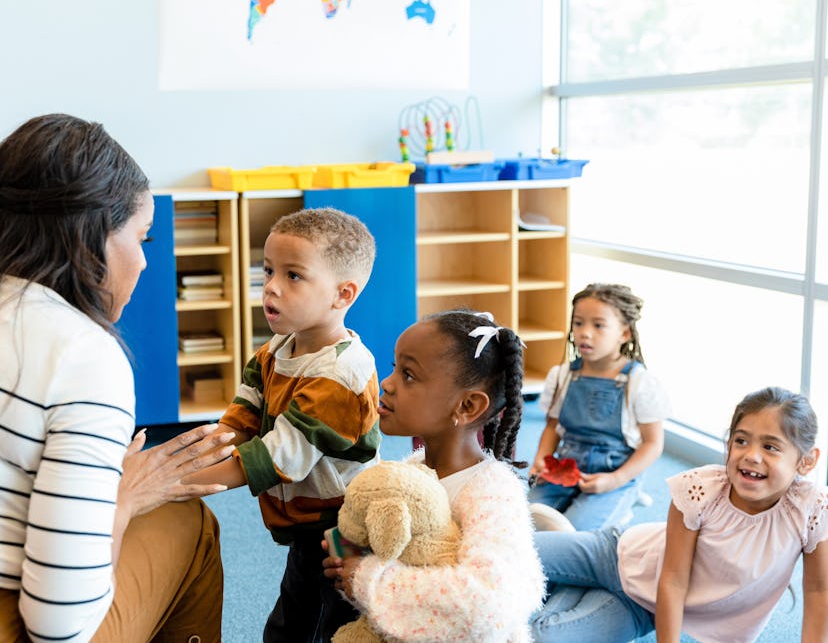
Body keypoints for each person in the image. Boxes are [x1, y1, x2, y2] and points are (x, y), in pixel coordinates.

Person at [0, 113, 234, 642]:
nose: (146, 263)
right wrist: (120, 498)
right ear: (90, 238)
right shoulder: (80, 353)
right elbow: (57, 627)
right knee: (188, 523)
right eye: (143, 239)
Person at [185, 207, 380, 642]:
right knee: (305, 608)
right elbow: (240, 421)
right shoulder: (276, 349)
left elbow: (276, 458)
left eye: (293, 276)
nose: (270, 286)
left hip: (343, 525)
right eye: (268, 270)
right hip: (305, 520)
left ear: (342, 295)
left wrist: (182, 482)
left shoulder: (340, 374)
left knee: (315, 619)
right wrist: (186, 458)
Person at [530, 386, 828, 642]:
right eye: (741, 440)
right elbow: (672, 578)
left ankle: (567, 577)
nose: (751, 455)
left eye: (770, 446)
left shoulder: (811, 510)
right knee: (509, 551)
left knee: (540, 635)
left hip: (644, 606)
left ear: (806, 461)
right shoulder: (699, 489)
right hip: (614, 553)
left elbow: (818, 590)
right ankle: (567, 556)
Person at [323, 310, 546, 642]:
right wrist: (348, 565)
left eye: (409, 375)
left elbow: (486, 604)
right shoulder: (410, 472)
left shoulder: (492, 493)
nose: (387, 383)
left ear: (467, 406)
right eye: (395, 368)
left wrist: (366, 578)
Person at [528, 283, 670, 531]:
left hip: (616, 472)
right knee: (525, 518)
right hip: (565, 466)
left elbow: (653, 443)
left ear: (624, 333)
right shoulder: (561, 375)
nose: (585, 333)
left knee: (574, 533)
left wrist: (616, 479)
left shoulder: (640, 382)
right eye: (578, 323)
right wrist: (542, 459)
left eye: (598, 325)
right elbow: (552, 427)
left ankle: (626, 499)